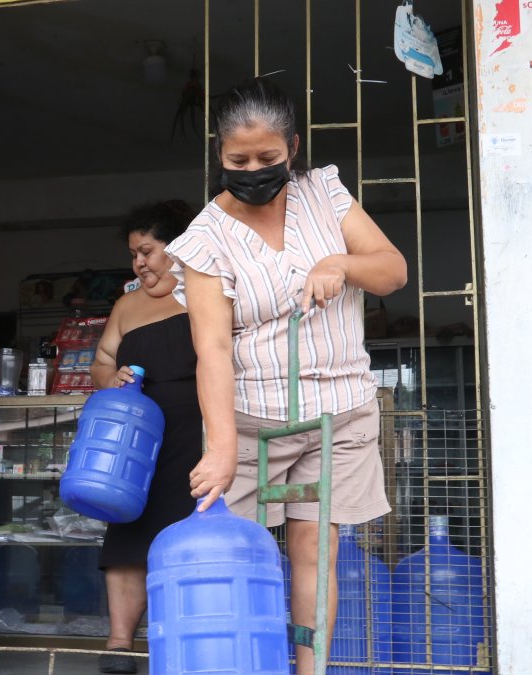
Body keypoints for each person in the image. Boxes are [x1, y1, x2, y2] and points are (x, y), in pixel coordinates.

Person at [165, 78, 408, 673]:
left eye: (268, 159)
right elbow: (213, 348)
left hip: (342, 411)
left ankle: (310, 669)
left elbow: (392, 270)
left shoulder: (325, 194)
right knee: (233, 555)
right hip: (249, 420)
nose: (253, 170)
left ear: (292, 148)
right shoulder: (203, 240)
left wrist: (340, 262)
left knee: (314, 550)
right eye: (237, 160)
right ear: (219, 156)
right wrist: (221, 448)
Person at [88, 200, 200, 674]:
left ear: (175, 249)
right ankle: (119, 645)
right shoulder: (126, 304)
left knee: (185, 532)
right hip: (131, 440)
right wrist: (108, 378)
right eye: (134, 254)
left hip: (193, 430)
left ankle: (184, 643)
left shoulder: (204, 293)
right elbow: (100, 361)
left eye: (148, 251)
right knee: (127, 531)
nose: (139, 262)